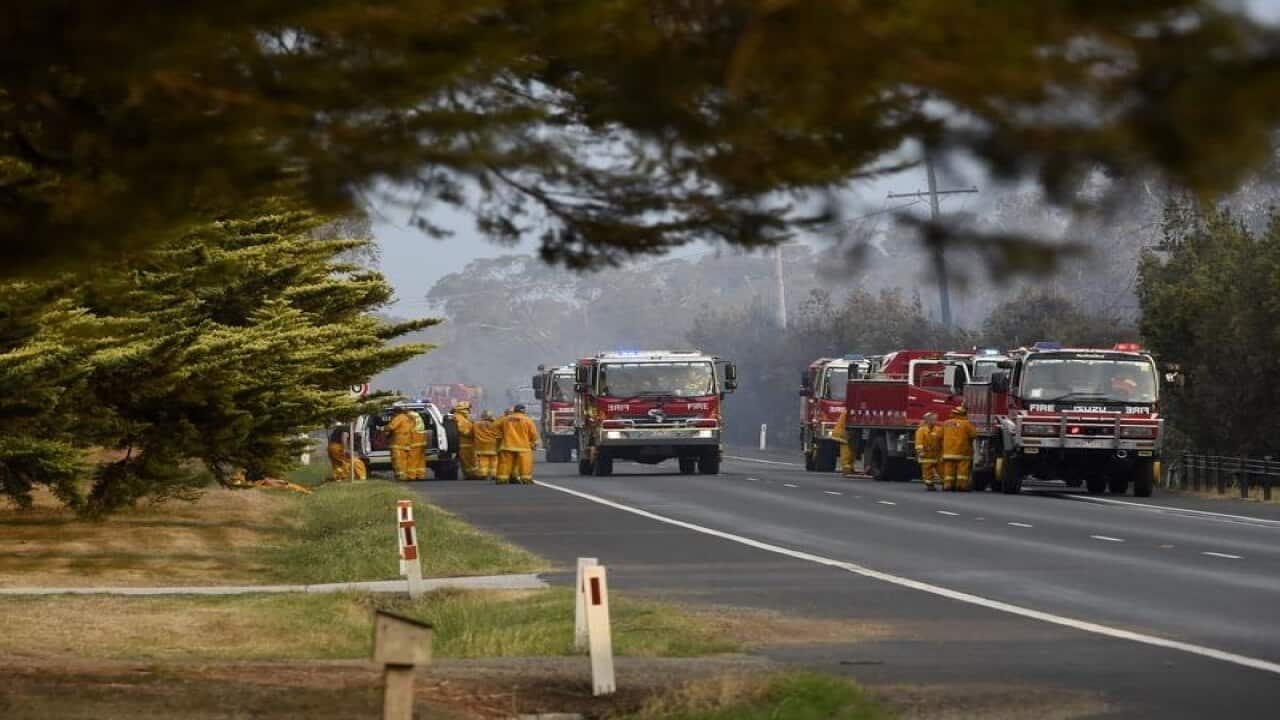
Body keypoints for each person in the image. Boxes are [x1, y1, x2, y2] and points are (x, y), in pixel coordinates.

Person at [496, 403, 540, 485]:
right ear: (524, 411)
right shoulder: (527, 420)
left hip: (507, 445)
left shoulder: (505, 419)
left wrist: (500, 436)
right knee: (525, 463)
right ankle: (526, 479)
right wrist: (534, 443)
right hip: (523, 446)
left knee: (505, 463)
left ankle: (502, 479)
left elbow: (494, 427)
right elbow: (533, 433)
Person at [940, 406, 977, 492]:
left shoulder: (946, 423)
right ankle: (961, 486)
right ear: (963, 414)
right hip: (962, 452)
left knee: (949, 470)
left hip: (948, 451)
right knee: (962, 471)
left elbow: (939, 436)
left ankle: (948, 485)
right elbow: (973, 435)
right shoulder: (967, 424)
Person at [914, 412, 944, 491]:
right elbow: (919, 442)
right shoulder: (921, 430)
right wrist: (920, 452)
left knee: (942, 470)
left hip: (937, 454)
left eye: (935, 419)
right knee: (927, 471)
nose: (935, 420)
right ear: (927, 420)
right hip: (926, 455)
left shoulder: (938, 429)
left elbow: (942, 440)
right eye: (933, 419)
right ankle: (929, 485)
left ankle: (945, 483)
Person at [385, 406, 416, 481]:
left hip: (398, 441)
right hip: (407, 441)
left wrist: (384, 428)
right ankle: (404, 475)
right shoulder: (409, 418)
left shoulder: (399, 417)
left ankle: (400, 475)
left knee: (397, 459)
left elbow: (391, 427)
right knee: (404, 459)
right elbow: (413, 426)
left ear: (396, 412)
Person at [472, 410, 500, 482]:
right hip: (492, 445)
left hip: (480, 445)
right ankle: (494, 474)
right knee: (494, 461)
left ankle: (483, 474)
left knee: (483, 460)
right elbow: (498, 434)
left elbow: (472, 433)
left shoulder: (476, 424)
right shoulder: (494, 424)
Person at [453, 401, 478, 479]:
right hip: (465, 444)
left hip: (467, 444)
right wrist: (473, 433)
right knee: (469, 461)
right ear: (463, 409)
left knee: (468, 461)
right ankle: (472, 475)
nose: (469, 411)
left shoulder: (463, 417)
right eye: (468, 409)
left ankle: (469, 475)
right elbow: (462, 430)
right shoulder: (459, 418)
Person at [832, 408, 855, 476]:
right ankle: (846, 469)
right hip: (842, 434)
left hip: (843, 433)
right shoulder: (848, 413)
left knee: (850, 452)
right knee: (846, 452)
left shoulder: (848, 411)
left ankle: (849, 468)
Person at [408, 409, 429, 480]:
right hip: (422, 441)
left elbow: (407, 429)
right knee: (421, 459)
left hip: (414, 441)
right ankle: (420, 475)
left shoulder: (410, 417)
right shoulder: (418, 416)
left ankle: (412, 476)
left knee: (412, 459)